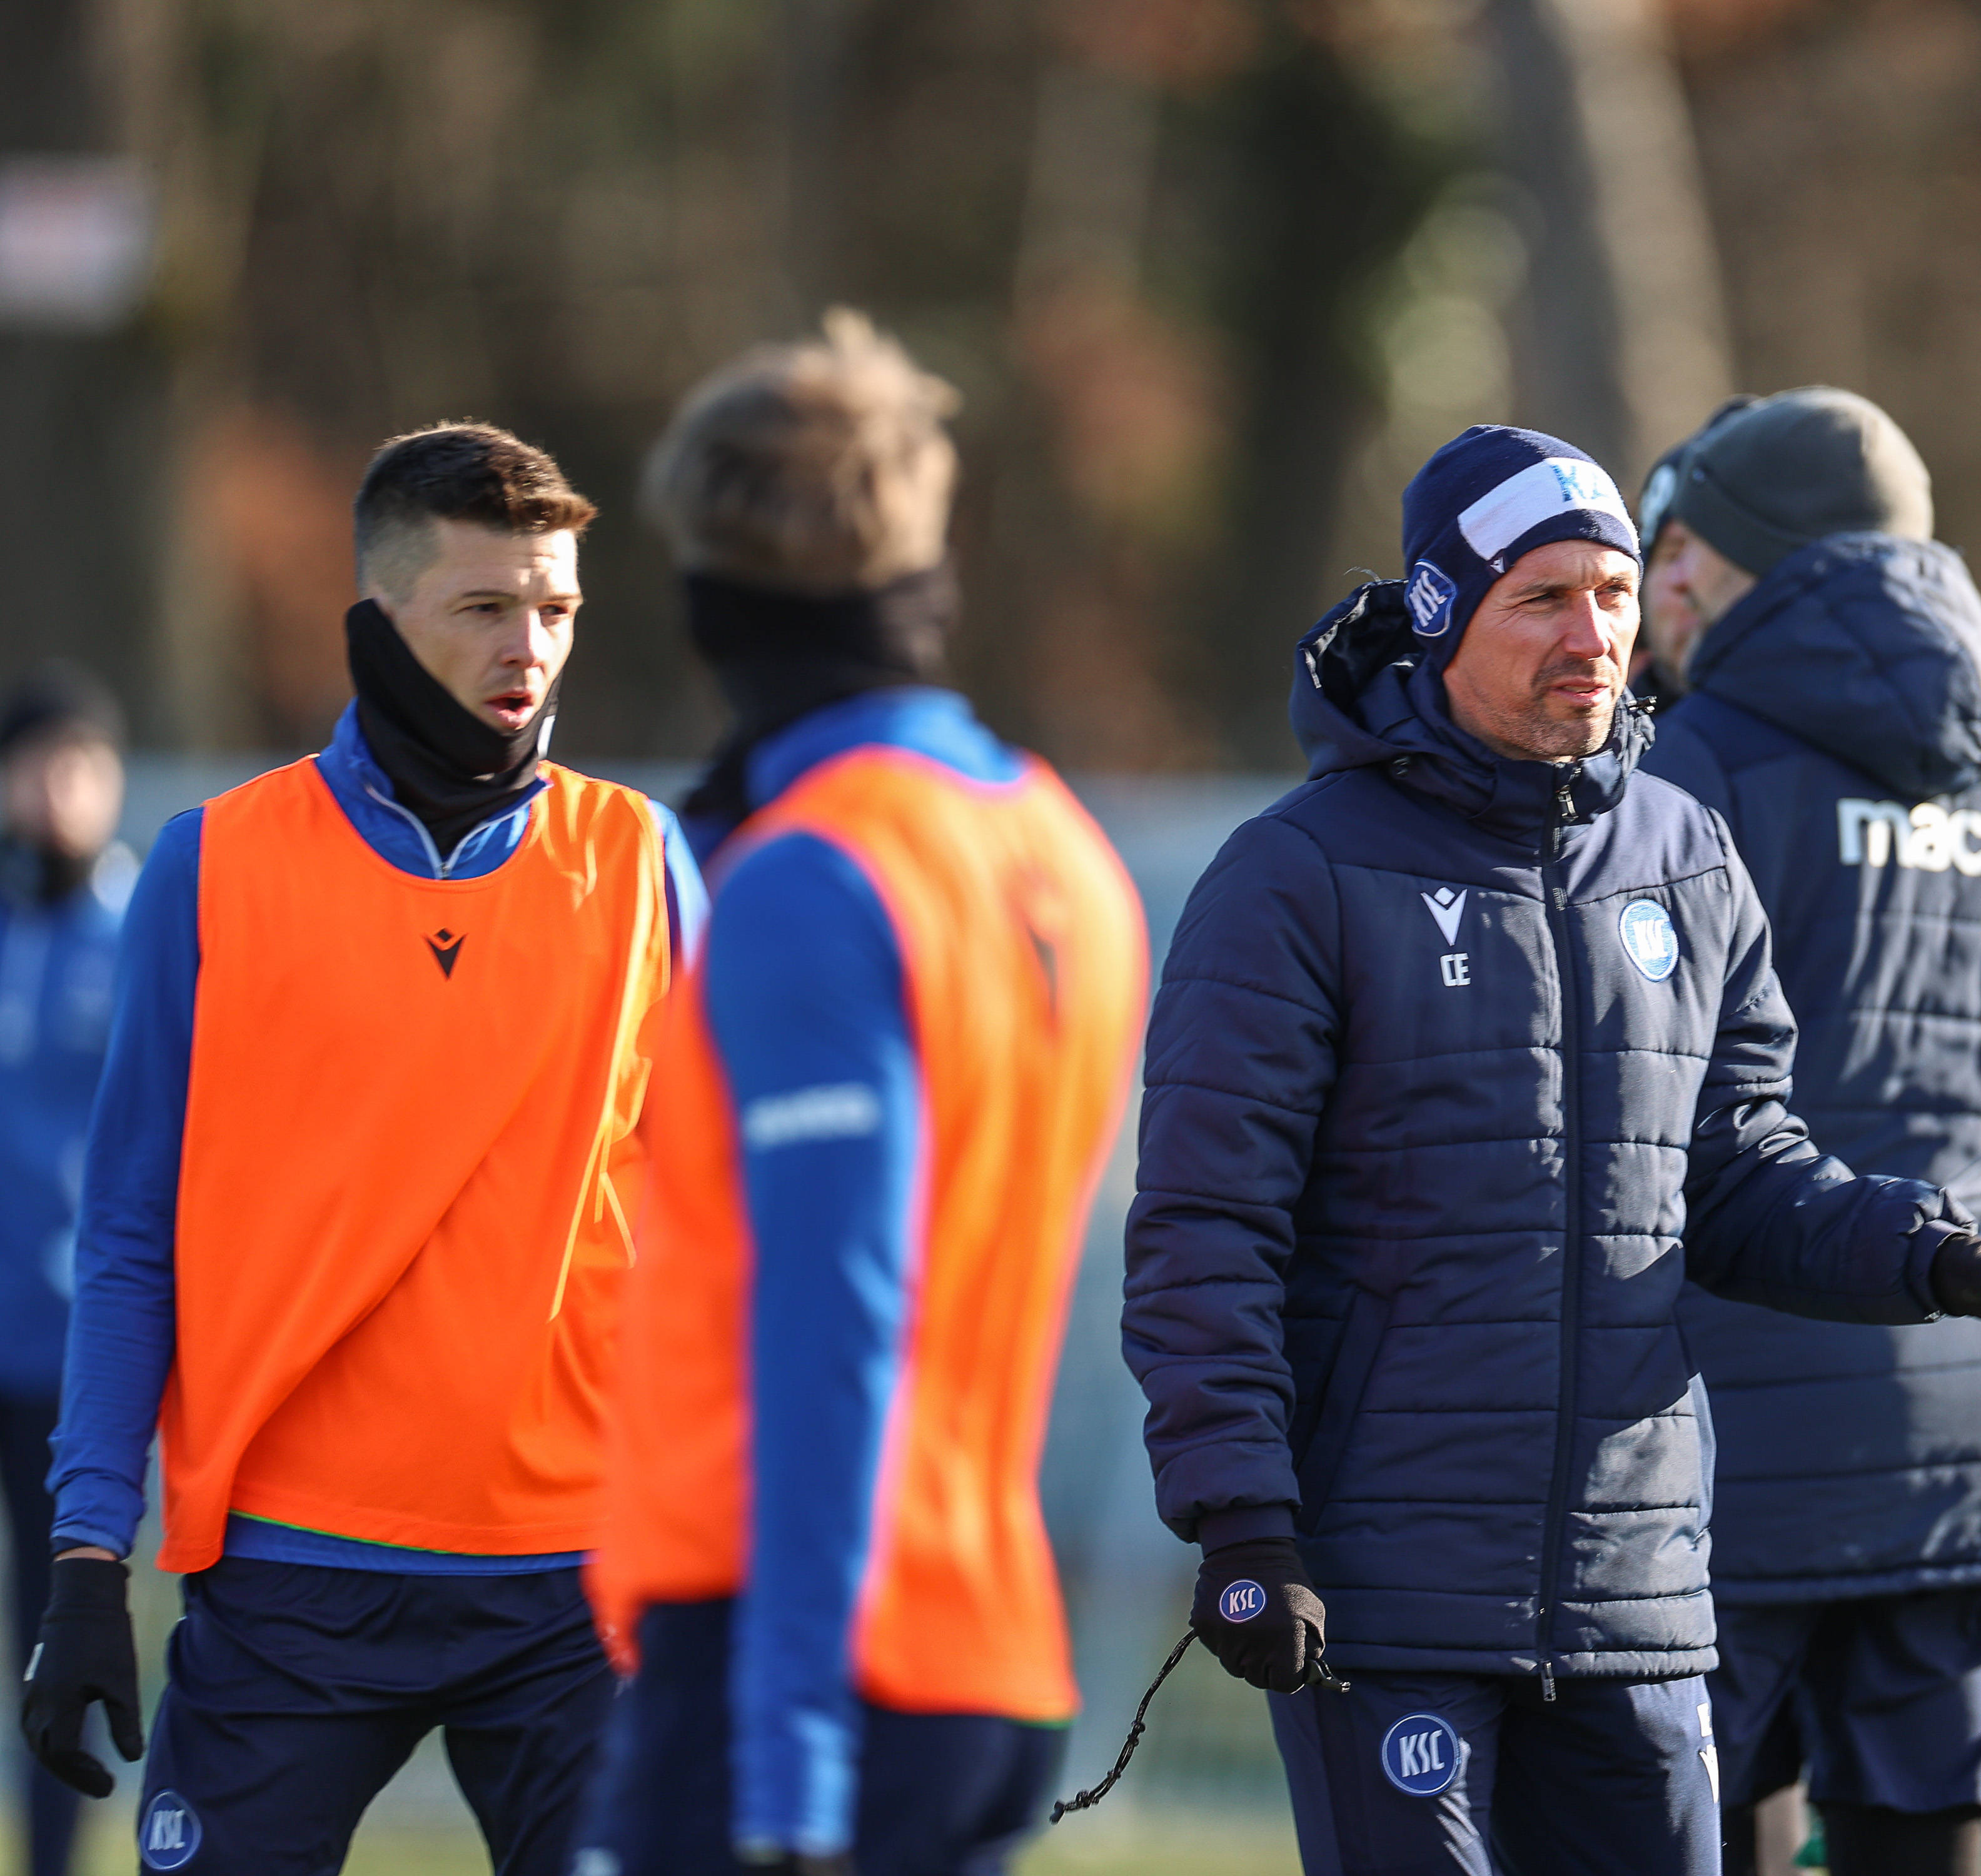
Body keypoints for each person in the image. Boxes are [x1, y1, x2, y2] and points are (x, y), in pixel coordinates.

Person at [1122, 422, 1981, 1876]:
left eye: (1616, 594)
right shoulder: (1298, 875)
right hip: (1391, 1595)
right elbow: (1204, 1229)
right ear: (1437, 616)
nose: (1596, 635)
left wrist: (1942, 1259)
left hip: (1642, 1595)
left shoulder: (1684, 851)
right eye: (1543, 598)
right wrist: (1242, 1521)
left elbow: (1739, 1173)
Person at [19, 423, 705, 1876]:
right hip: (289, 1578)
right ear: (378, 621)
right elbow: (134, 1230)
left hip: (580, 1587)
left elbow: (720, 1232)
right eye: (486, 608)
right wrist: (89, 1558)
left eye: (559, 610)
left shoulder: (645, 863)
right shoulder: (214, 867)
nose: (533, 648)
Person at [582, 311, 1150, 1876]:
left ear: (709, 587)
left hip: (807, 1674)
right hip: (984, 1661)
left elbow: (841, 1328)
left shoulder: (818, 877)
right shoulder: (1062, 854)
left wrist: (787, 1775)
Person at [1633, 388, 1981, 1876]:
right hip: (1978, 1465)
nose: (1653, 587)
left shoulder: (1677, 787)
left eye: (1675, 549)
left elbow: (1608, 1131)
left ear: (1731, 562)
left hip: (1707, 1472)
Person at [0, 665, 131, 1876]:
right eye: (37, 763)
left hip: (72, 1361)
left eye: (81, 764)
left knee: (56, 1631)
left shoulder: (145, 933)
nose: (58, 790)